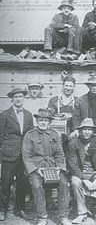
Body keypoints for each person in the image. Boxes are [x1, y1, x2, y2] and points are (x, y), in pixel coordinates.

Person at [22, 109, 71, 225]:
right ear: (37, 121)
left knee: (64, 184)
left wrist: (59, 168)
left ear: (49, 122)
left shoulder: (55, 135)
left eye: (45, 120)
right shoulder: (29, 135)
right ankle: (42, 217)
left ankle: (63, 216)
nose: (43, 123)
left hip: (53, 168)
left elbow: (60, 154)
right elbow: (26, 156)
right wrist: (36, 169)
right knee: (37, 185)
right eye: (41, 120)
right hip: (36, 168)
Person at [67, 118, 96, 224]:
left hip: (95, 172)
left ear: (93, 131)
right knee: (75, 182)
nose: (87, 132)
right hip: (80, 172)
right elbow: (73, 165)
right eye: (84, 129)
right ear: (80, 131)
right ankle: (82, 213)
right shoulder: (73, 143)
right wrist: (84, 179)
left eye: (89, 129)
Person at [0, 88, 33, 221]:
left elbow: (30, 135)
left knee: (22, 183)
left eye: (20, 96)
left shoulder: (29, 114)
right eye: (16, 97)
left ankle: (20, 209)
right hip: (9, 154)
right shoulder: (4, 115)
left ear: (23, 98)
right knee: (5, 182)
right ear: (12, 99)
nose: (18, 99)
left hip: (24, 155)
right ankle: (2, 210)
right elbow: (0, 136)